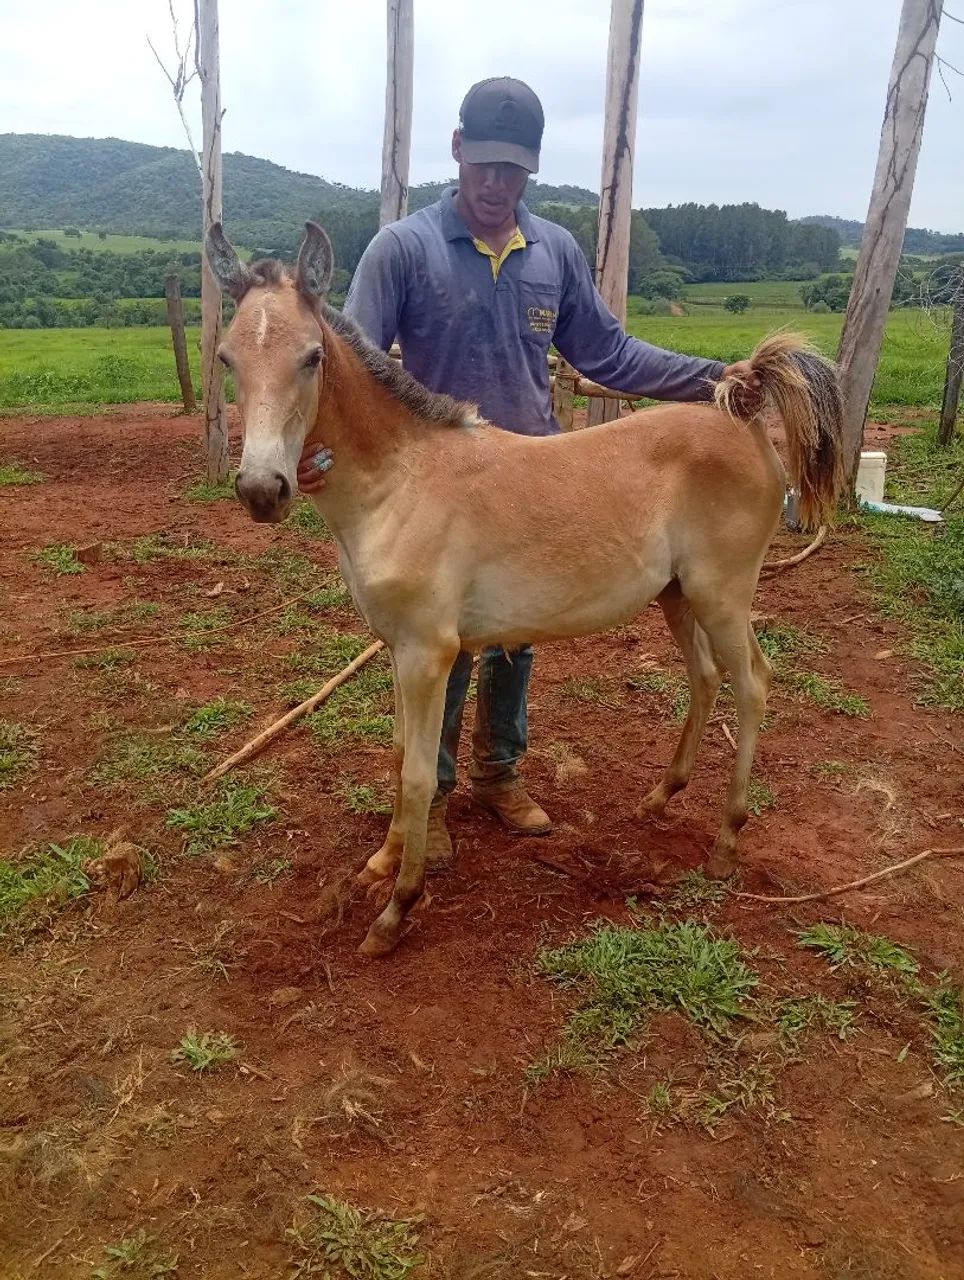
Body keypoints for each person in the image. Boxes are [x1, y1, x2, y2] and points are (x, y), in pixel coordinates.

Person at [298, 76, 760, 865]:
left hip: (537, 478)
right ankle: (430, 799)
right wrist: (319, 451)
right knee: (436, 648)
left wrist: (711, 376)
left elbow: (608, 352)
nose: (495, 184)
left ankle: (498, 775)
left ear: (531, 170)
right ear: (457, 152)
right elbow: (346, 371)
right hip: (435, 496)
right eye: (483, 165)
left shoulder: (553, 251)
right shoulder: (402, 249)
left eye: (512, 170)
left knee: (517, 637)